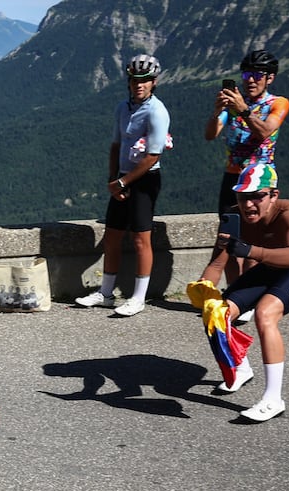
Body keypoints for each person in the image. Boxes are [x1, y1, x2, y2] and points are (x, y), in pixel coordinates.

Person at [197, 164, 289, 423]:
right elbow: (217, 265)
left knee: (265, 314)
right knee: (216, 314)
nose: (248, 204)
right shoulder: (233, 218)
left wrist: (250, 251)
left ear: (273, 196)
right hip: (270, 266)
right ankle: (241, 369)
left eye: (257, 196)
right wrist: (204, 288)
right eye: (242, 197)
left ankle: (273, 399)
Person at [75, 54, 171, 317]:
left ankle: (138, 298)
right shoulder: (122, 108)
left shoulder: (157, 111)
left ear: (154, 82)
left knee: (141, 239)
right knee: (113, 237)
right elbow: (116, 145)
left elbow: (153, 156)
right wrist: (113, 179)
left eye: (145, 80)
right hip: (122, 177)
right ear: (129, 82)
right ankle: (106, 293)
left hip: (145, 179)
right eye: (135, 80)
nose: (139, 84)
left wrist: (122, 181)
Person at [204, 49, 289, 308]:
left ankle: (252, 297)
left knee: (254, 243)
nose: (250, 80)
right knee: (229, 239)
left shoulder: (278, 103)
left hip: (261, 180)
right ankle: (235, 294)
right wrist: (217, 111)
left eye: (257, 75)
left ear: (270, 78)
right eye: (246, 75)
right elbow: (210, 134)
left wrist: (243, 110)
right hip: (232, 179)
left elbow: (265, 131)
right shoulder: (233, 103)